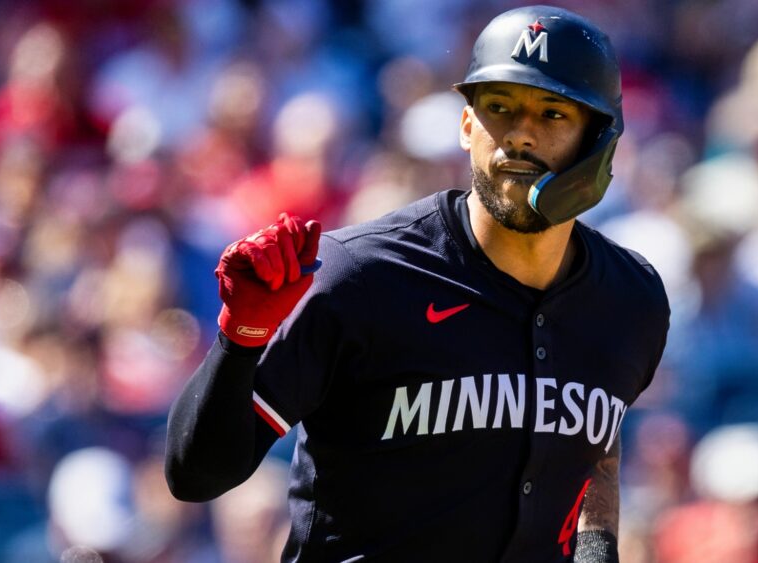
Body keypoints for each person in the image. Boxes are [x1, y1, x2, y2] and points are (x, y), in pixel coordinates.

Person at [164, 5, 669, 562]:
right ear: (466, 125)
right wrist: (242, 336)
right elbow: (197, 476)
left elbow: (595, 447)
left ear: (598, 143)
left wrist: (596, 552)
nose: (520, 136)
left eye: (552, 114)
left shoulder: (631, 299)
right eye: (500, 108)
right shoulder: (359, 275)